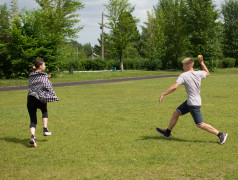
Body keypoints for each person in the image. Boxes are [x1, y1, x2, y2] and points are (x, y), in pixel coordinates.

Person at [156, 55, 228, 144]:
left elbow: (175, 87)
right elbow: (207, 73)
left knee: (200, 124)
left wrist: (164, 93)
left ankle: (221, 134)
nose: (182, 67)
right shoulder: (199, 73)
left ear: (188, 65)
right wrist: (201, 62)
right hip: (191, 101)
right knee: (176, 113)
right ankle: (167, 132)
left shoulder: (184, 75)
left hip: (193, 103)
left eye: (183, 65)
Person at [27, 59, 59, 147]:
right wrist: (54, 95)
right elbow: (48, 86)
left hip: (30, 98)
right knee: (44, 111)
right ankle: (45, 129)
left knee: (33, 120)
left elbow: (36, 76)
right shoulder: (43, 77)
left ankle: (33, 137)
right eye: (44, 65)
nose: (45, 66)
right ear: (40, 66)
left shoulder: (31, 75)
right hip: (40, 98)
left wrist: (45, 77)